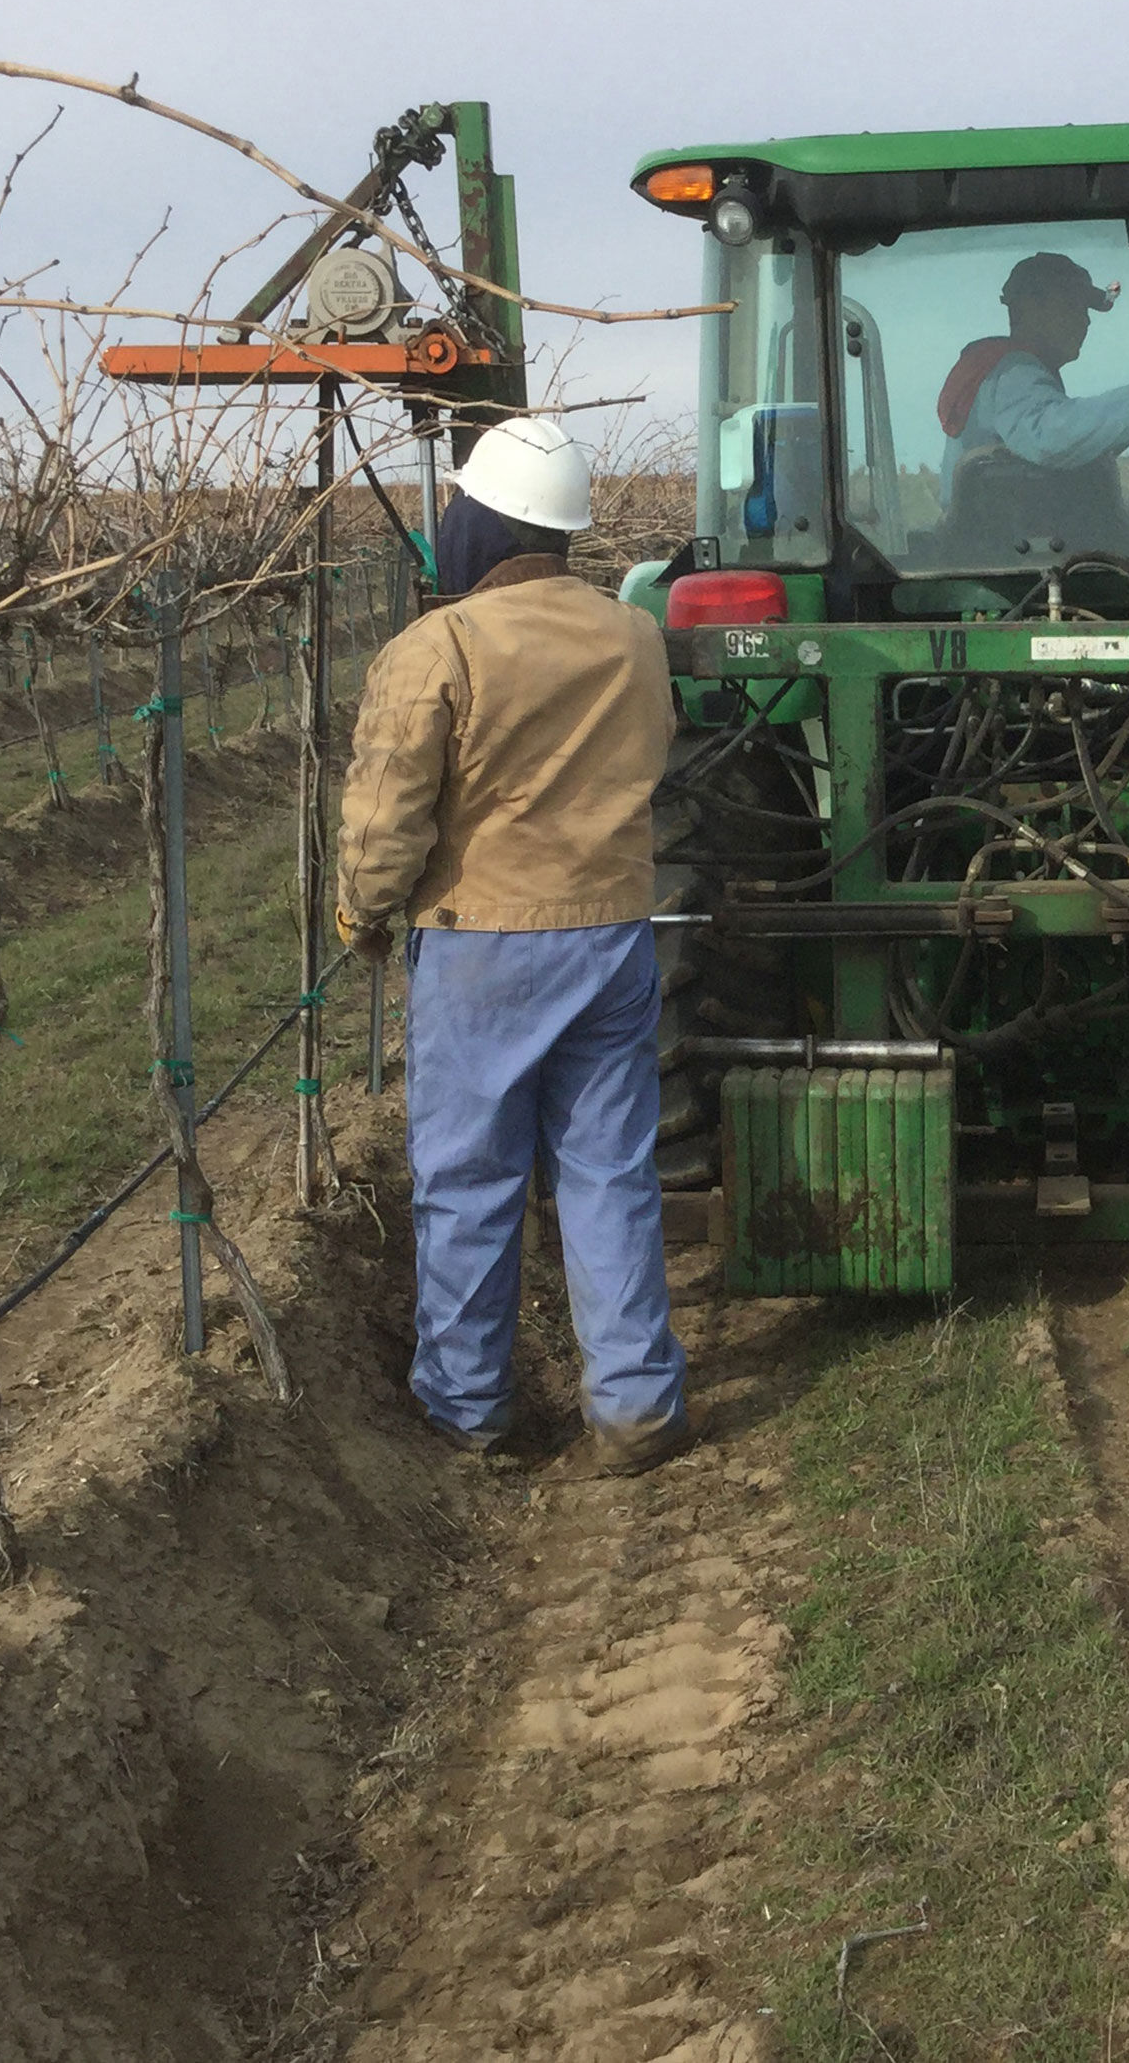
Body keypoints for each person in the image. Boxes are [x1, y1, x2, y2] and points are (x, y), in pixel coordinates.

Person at [335, 414, 691, 1474]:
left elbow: (389, 809)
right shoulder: (633, 636)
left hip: (480, 945)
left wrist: (361, 910)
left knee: (467, 1178)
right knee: (608, 1171)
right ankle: (634, 1407)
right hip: (611, 938)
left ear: (480, 521)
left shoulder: (437, 647)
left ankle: (468, 1407)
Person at [934, 250, 1129, 558]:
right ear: (1031, 307)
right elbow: (1049, 437)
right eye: (1073, 305)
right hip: (1015, 561)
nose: (1085, 320)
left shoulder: (1003, 371)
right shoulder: (1012, 373)